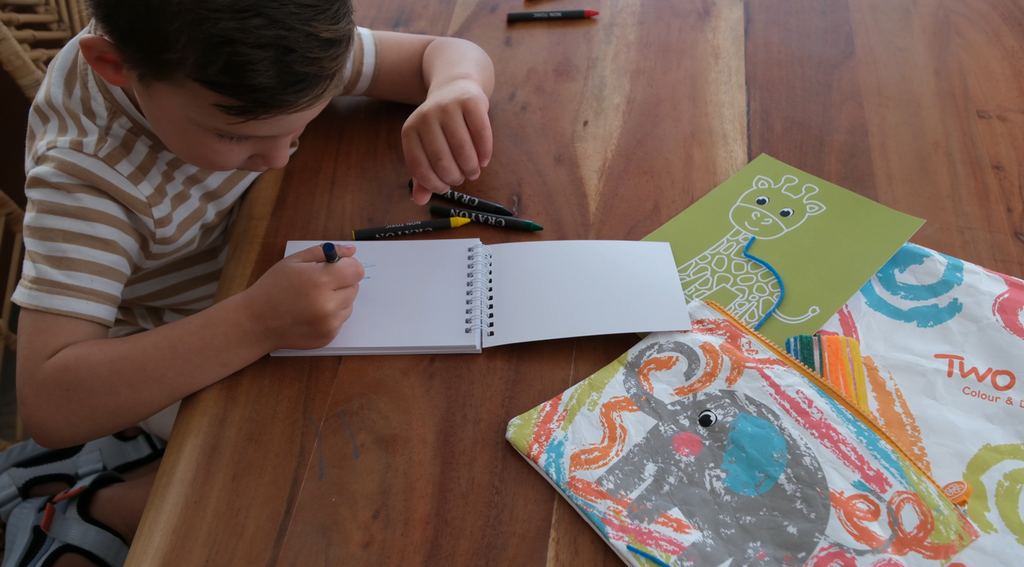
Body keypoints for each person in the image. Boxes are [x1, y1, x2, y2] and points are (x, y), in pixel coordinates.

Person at [2, 0, 495, 565]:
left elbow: (442, 53)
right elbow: (49, 403)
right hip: (168, 343)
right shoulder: (86, 177)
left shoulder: (276, 44)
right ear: (112, 65)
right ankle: (105, 506)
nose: (280, 157)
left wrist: (456, 88)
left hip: (257, 265)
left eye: (297, 126)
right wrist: (256, 321)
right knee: (334, 467)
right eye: (236, 137)